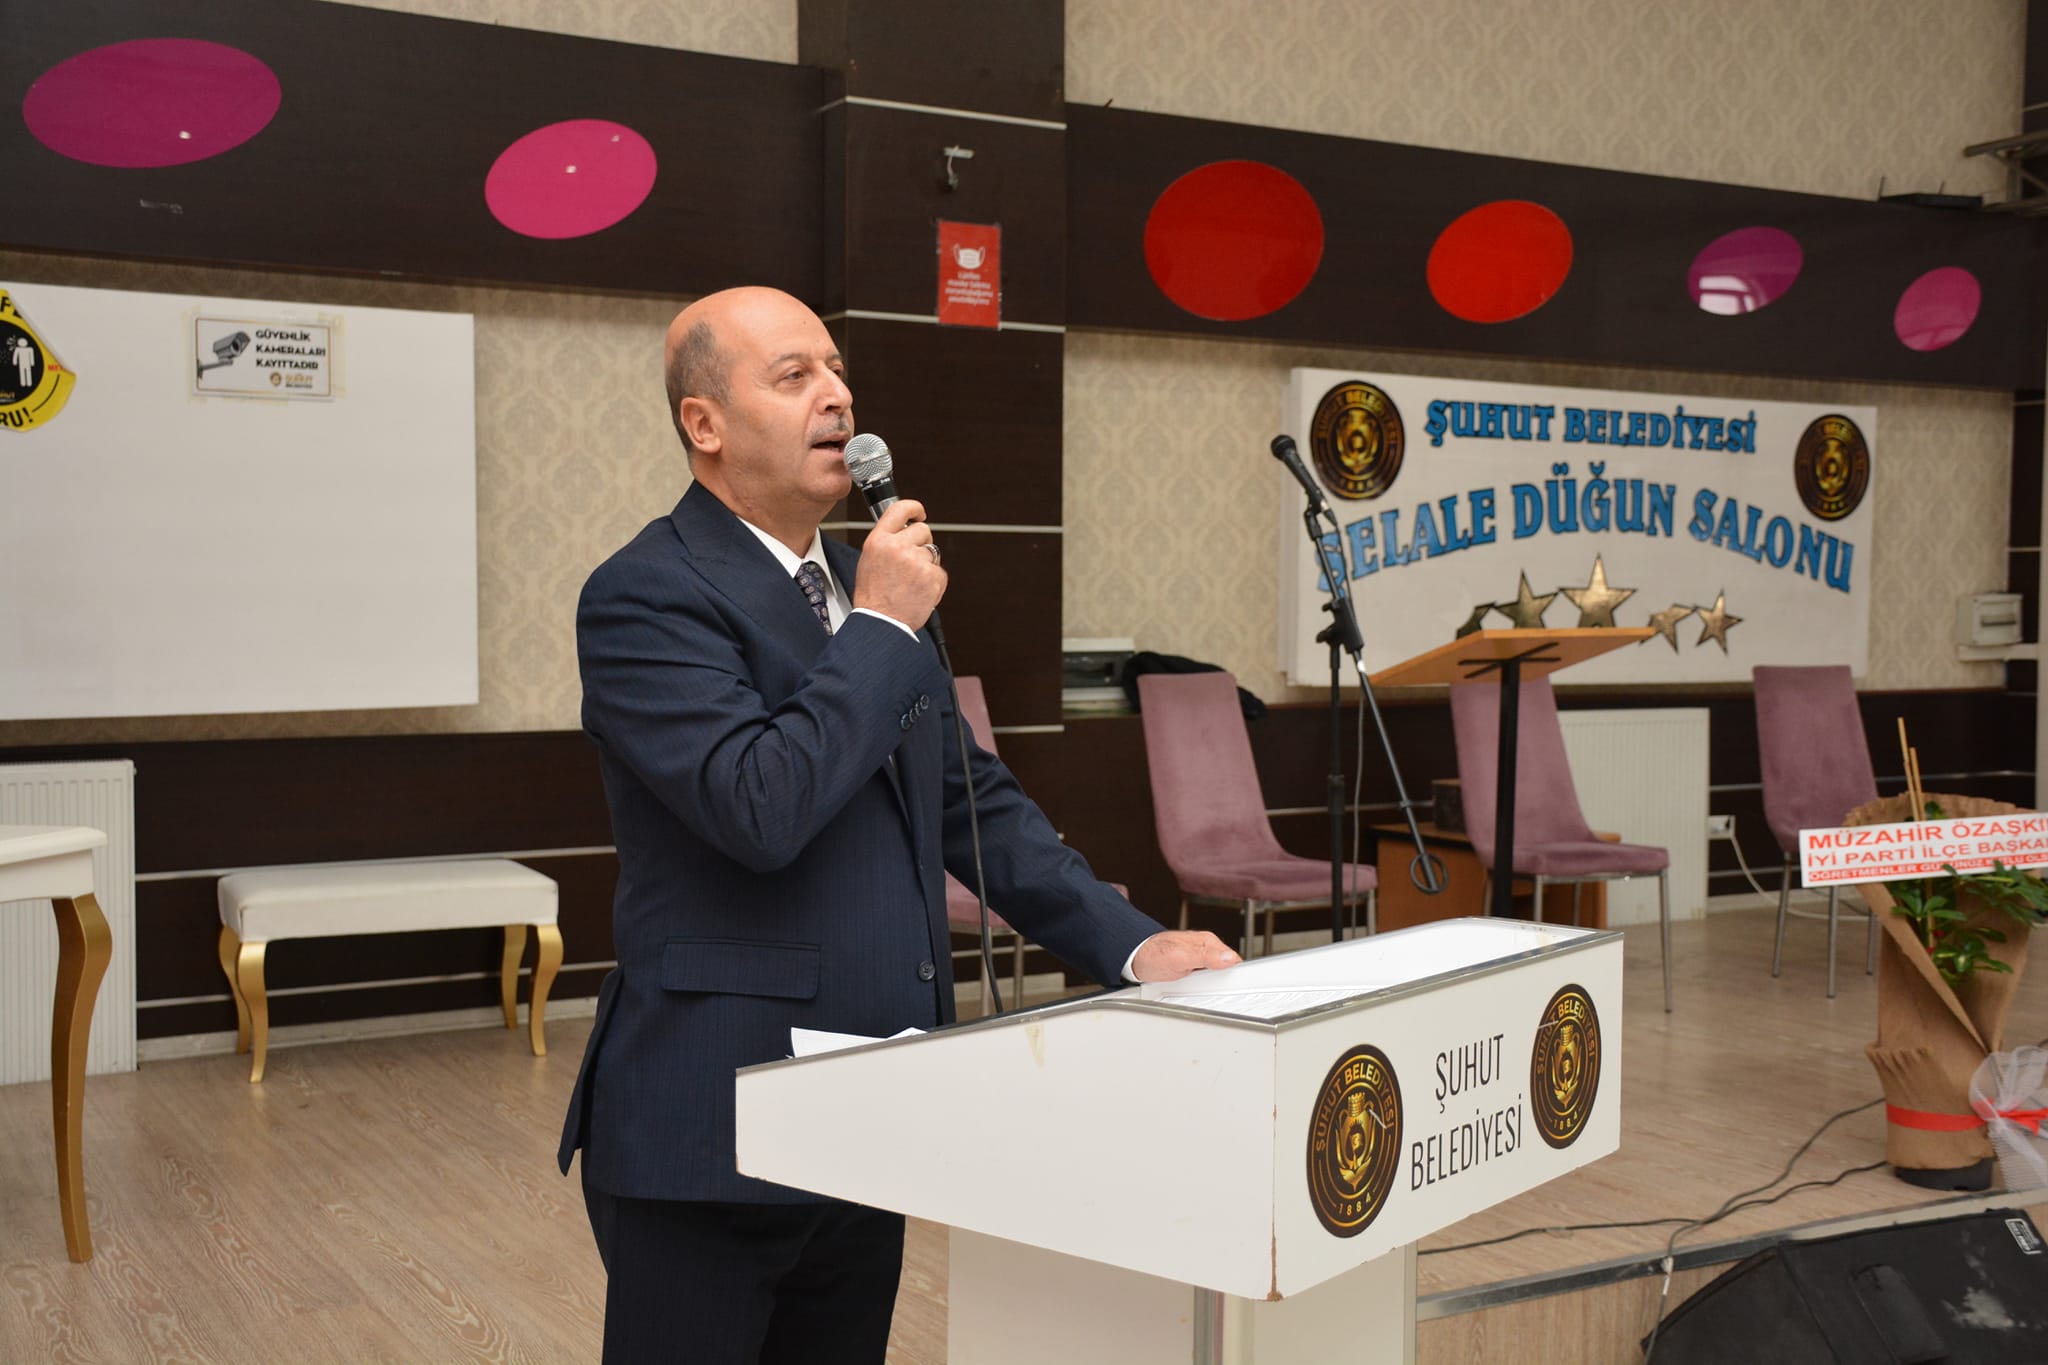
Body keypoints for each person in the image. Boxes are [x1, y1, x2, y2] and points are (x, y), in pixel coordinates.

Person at [558, 285, 1240, 1364]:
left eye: (837, 371)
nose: (836, 396)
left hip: (876, 1103)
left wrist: (1130, 941)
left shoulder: (857, 583)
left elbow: (968, 799)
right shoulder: (646, 594)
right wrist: (879, 625)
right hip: (715, 1118)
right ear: (705, 423)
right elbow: (758, 807)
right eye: (794, 376)